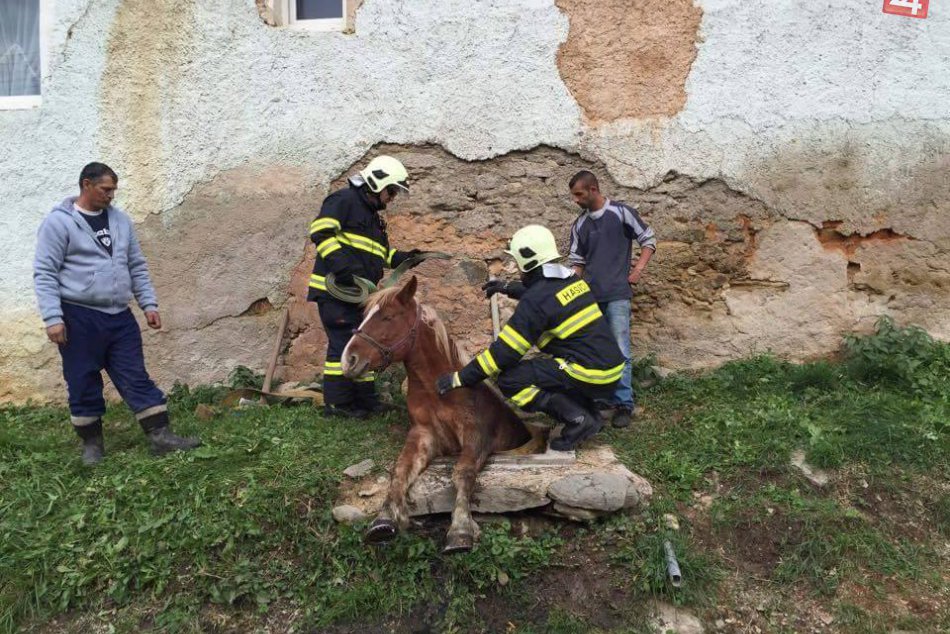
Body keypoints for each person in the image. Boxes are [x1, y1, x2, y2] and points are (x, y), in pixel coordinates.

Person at [33, 162, 200, 465]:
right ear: (86, 184)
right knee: (82, 378)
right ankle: (92, 445)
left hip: (119, 316)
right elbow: (45, 272)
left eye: (113, 190)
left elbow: (136, 265)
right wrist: (52, 318)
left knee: (135, 374)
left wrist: (148, 304)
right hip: (78, 316)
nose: (111, 195)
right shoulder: (59, 223)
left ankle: (161, 436)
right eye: (105, 189)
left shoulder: (121, 221)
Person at [436, 225, 624, 451]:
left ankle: (579, 419)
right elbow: (545, 295)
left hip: (590, 373)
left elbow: (503, 355)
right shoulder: (570, 280)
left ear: (527, 262)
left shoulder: (535, 303)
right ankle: (590, 412)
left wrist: (460, 378)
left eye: (517, 263)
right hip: (611, 369)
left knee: (511, 379)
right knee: (551, 373)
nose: (517, 269)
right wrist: (506, 287)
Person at [307, 155, 423, 419]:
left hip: (358, 297)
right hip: (335, 293)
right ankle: (338, 406)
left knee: (361, 344)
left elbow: (382, 256)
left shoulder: (372, 218)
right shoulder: (343, 201)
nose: (392, 197)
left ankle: (366, 403)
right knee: (341, 344)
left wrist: (407, 257)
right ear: (376, 182)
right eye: (391, 190)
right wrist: (343, 269)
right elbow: (321, 232)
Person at [565, 170, 656, 428]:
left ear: (593, 189)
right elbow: (577, 263)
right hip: (590, 299)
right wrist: (571, 291)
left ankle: (624, 404)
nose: (576, 200)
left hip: (617, 295)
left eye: (579, 194)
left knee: (621, 350)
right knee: (595, 351)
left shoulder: (621, 213)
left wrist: (637, 270)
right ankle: (601, 399)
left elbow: (648, 239)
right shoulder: (579, 225)